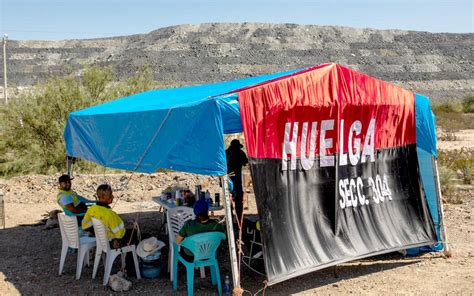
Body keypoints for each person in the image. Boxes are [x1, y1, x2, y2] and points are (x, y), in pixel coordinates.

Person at [82, 184, 140, 275]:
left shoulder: (91, 209)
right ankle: (130, 268)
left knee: (131, 233)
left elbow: (85, 226)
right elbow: (120, 234)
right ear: (102, 197)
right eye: (110, 195)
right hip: (111, 242)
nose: (113, 196)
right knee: (134, 235)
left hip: (102, 240)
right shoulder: (110, 214)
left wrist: (97, 232)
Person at [225, 139, 248, 220]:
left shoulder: (226, 153)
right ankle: (239, 219)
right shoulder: (240, 152)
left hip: (227, 180)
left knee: (228, 201)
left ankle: (230, 219)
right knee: (238, 201)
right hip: (237, 181)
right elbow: (245, 162)